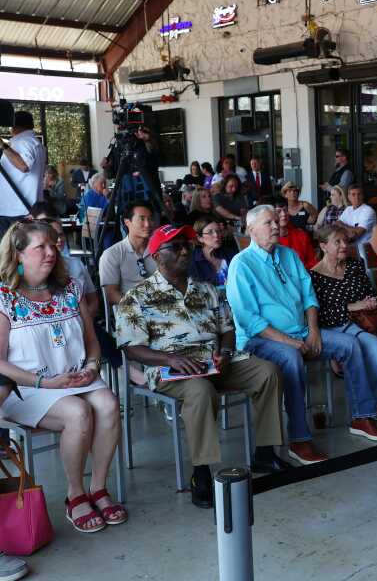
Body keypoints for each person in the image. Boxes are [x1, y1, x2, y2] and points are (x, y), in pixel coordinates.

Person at [115, 224, 287, 508]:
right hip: (170, 368)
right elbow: (132, 347)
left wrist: (227, 351)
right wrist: (170, 359)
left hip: (215, 360)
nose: (185, 251)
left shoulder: (207, 290)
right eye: (176, 247)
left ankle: (265, 452)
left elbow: (227, 328)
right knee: (199, 391)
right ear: (157, 256)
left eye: (187, 245)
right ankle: (202, 472)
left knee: (268, 372)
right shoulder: (137, 297)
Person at [0, 220, 126, 534]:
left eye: (52, 245)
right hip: (29, 387)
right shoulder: (5, 297)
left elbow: (91, 341)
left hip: (75, 378)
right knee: (79, 412)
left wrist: (92, 367)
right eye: (39, 247)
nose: (50, 252)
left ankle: (98, 487)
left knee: (109, 403)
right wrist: (44, 383)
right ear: (18, 255)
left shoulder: (70, 288)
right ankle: (75, 494)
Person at [226, 206, 350, 464]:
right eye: (267, 223)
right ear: (251, 230)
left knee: (350, 345)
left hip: (302, 332)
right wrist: (289, 341)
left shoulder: (288, 254)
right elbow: (249, 320)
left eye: (275, 221)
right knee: (291, 358)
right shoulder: (241, 264)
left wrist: (314, 330)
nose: (275, 226)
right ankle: (299, 438)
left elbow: (308, 295)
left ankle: (363, 415)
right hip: (258, 341)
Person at [309, 225, 377, 435]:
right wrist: (351, 307)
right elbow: (320, 316)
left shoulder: (355, 265)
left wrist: (369, 302)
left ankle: (372, 398)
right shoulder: (313, 276)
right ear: (323, 246)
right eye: (337, 242)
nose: (343, 246)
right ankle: (366, 409)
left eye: (345, 241)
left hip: (371, 319)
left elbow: (371, 292)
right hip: (342, 324)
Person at [28, 203, 98, 319]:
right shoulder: (28, 270)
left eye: (61, 235)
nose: (59, 240)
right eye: (54, 237)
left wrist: (83, 324)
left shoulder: (75, 264)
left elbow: (93, 300)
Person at [99, 200, 156, 305]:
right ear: (127, 222)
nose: (148, 224)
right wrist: (139, 307)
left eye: (150, 219)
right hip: (131, 311)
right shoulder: (112, 255)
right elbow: (111, 294)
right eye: (142, 219)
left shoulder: (159, 250)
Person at [0, 110, 46, 236]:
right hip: (22, 209)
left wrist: (2, 144)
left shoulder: (23, 142)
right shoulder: (34, 142)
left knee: (11, 252)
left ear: (14, 126)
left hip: (16, 210)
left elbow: (23, 165)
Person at [272, 198, 318, 269]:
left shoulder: (301, 235)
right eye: (278, 211)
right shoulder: (268, 241)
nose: (283, 214)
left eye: (285, 210)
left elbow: (312, 262)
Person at [191, 217, 235, 288]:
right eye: (210, 232)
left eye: (218, 231)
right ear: (200, 238)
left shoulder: (229, 252)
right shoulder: (193, 261)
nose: (216, 235)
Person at [337, 184, 377, 260]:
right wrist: (351, 229)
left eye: (359, 194)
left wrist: (343, 225)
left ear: (363, 196)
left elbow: (355, 235)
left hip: (364, 251)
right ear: (348, 197)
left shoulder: (368, 210)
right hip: (350, 248)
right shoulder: (348, 209)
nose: (356, 197)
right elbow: (337, 224)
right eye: (353, 194)